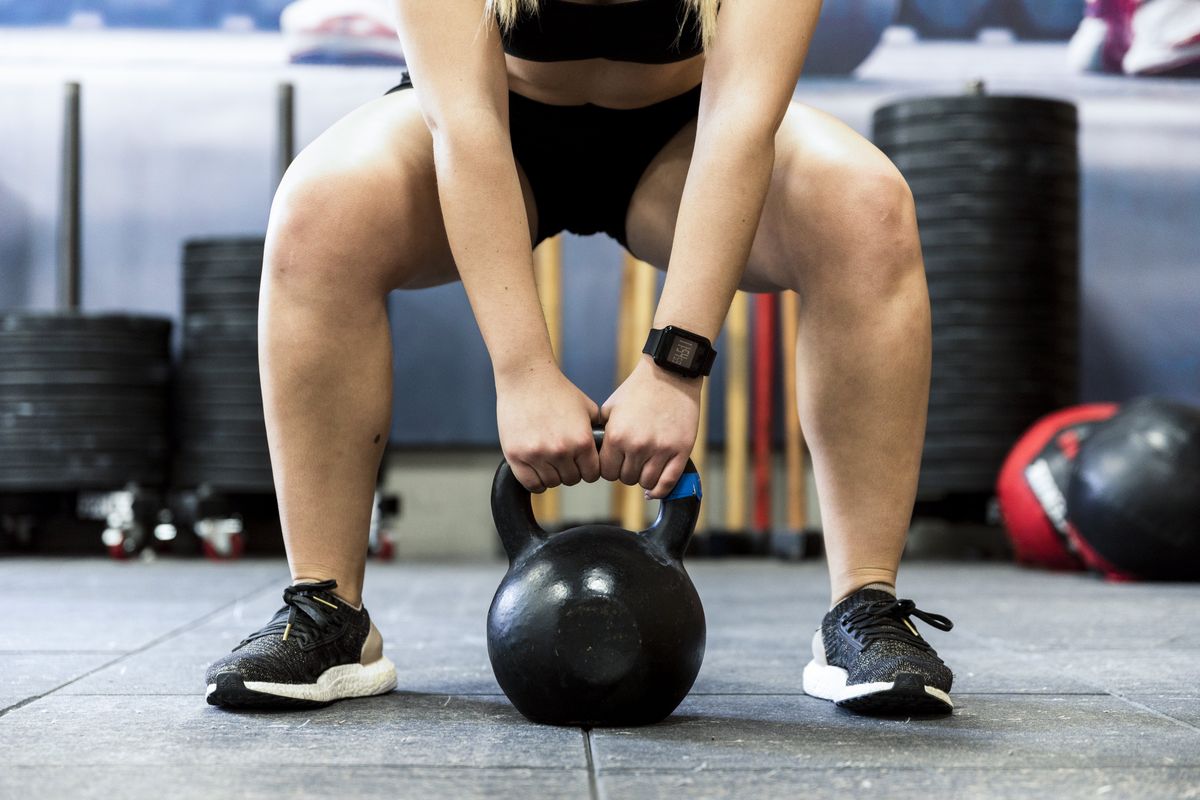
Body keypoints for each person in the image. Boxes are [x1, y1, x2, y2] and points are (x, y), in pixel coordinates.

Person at [204, 0, 955, 716]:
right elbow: (463, 128)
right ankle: (329, 609)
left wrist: (675, 367)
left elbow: (740, 124)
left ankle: (866, 608)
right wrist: (522, 372)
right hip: (494, 123)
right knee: (318, 212)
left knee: (867, 208)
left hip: (689, 135)